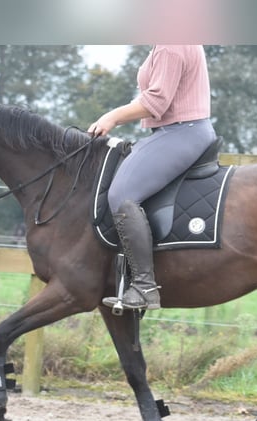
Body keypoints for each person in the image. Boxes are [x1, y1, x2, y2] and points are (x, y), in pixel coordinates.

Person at [89, 45, 217, 311]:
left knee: (121, 194)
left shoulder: (172, 42)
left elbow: (156, 101)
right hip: (176, 132)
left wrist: (111, 117)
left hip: (182, 132)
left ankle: (144, 286)